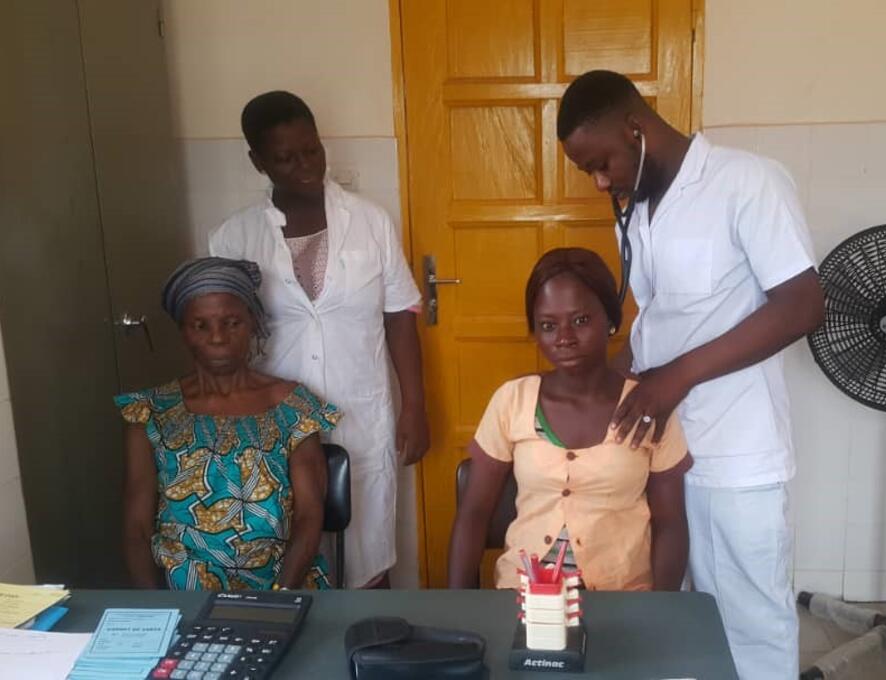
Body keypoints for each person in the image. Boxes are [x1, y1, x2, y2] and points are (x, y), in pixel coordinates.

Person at [558, 71, 825, 678]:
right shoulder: (638, 212)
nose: (601, 181)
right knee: (675, 622)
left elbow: (802, 305)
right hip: (662, 454)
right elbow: (659, 322)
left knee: (750, 626)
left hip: (737, 454)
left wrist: (674, 378)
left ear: (637, 128)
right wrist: (591, 384)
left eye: (602, 163)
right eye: (589, 173)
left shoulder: (747, 182)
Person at [209, 91, 427, 588]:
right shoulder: (233, 238)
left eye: (312, 150)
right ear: (257, 161)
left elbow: (400, 314)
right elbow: (222, 336)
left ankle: (371, 653)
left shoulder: (370, 221)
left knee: (369, 551)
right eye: (286, 157)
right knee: (286, 554)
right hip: (272, 425)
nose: (305, 166)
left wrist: (414, 404)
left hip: (360, 412)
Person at [448, 248, 690, 591]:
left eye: (580, 321)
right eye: (548, 326)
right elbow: (473, 514)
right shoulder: (512, 401)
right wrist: (460, 608)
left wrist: (662, 611)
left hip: (623, 599)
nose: (564, 338)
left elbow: (671, 523)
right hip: (524, 599)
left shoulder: (646, 404)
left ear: (610, 320)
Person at [119, 257, 338, 590]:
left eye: (232, 322)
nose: (218, 337)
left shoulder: (293, 406)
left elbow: (309, 514)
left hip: (284, 582)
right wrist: (157, 608)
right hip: (185, 590)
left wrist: (279, 598)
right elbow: (136, 525)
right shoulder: (151, 412)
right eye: (200, 325)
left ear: (253, 322)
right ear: (182, 331)